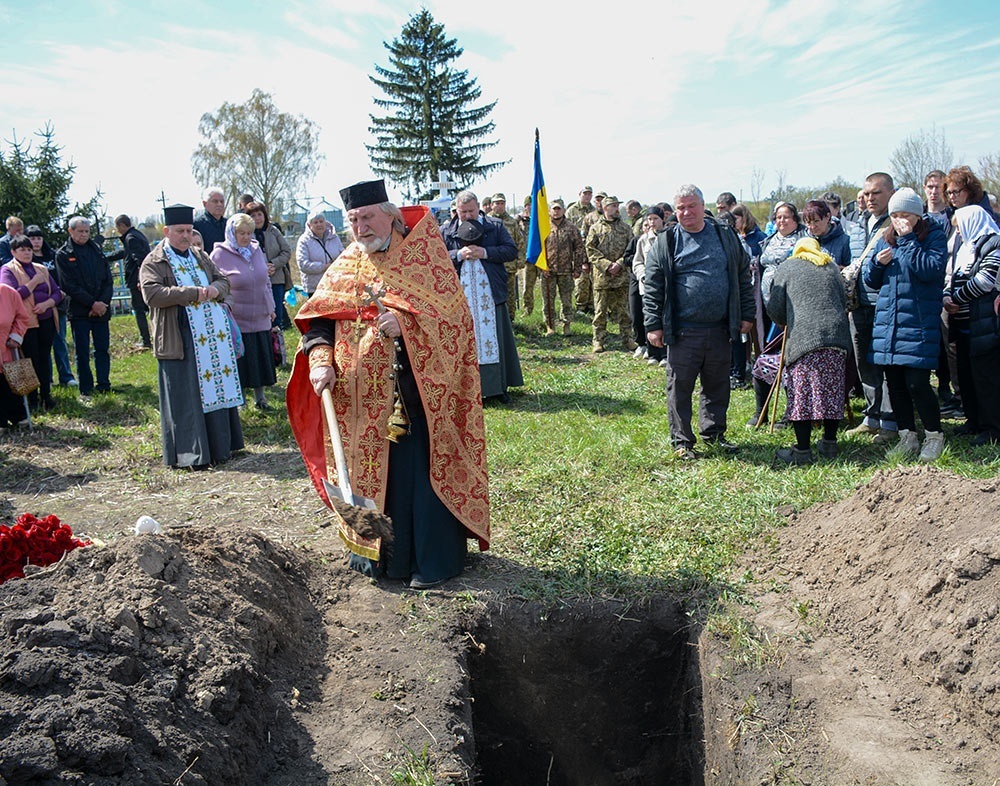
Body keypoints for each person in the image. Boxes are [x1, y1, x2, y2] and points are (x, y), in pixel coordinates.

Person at [286, 178, 490, 589]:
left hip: (416, 404)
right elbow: (318, 323)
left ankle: (431, 562)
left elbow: (456, 321)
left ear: (391, 215)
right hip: (359, 409)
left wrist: (409, 326)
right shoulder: (345, 264)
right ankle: (379, 560)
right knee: (372, 482)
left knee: (420, 480)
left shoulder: (426, 260)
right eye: (353, 220)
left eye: (367, 217)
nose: (360, 228)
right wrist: (321, 361)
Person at [644, 184, 755, 459]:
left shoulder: (724, 235)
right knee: (680, 388)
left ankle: (714, 434)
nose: (685, 212)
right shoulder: (667, 241)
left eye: (691, 206)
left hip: (720, 328)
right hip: (683, 331)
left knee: (717, 385)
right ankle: (682, 442)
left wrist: (746, 313)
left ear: (703, 207)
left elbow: (743, 274)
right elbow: (653, 284)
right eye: (680, 207)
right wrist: (652, 324)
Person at [139, 204, 243, 469]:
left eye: (188, 230)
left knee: (212, 389)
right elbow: (152, 294)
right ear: (166, 231)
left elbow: (223, 281)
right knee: (187, 395)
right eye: (180, 231)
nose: (186, 236)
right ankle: (191, 454)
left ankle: (221, 448)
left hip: (211, 338)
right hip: (179, 337)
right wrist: (192, 293)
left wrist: (214, 290)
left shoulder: (199, 255)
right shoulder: (154, 260)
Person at [863, 187, 947, 462]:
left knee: (918, 384)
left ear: (917, 215)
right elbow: (870, 280)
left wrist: (909, 239)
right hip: (889, 324)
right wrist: (876, 263)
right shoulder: (885, 238)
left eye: (905, 215)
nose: (899, 221)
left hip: (918, 324)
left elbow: (930, 270)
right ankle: (907, 435)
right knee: (895, 384)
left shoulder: (931, 235)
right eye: (895, 215)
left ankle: (934, 436)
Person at [766, 238, 851, 465]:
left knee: (802, 395)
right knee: (831, 391)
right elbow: (843, 299)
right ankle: (829, 443)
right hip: (837, 336)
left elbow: (775, 308)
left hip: (805, 339)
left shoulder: (788, 266)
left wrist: (787, 319)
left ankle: (802, 451)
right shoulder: (830, 265)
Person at [442, 190, 523, 403]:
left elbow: (510, 250)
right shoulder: (446, 230)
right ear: (456, 211)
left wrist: (485, 253)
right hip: (460, 298)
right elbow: (436, 256)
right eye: (463, 212)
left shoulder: (494, 226)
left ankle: (497, 387)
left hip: (490, 296)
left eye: (471, 211)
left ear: (478, 207)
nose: (467, 215)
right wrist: (458, 255)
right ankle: (466, 390)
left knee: (494, 339)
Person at [845, 172, 897, 444]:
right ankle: (872, 416)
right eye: (866, 193)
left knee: (885, 364)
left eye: (875, 193)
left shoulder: (896, 223)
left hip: (885, 305)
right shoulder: (858, 224)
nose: (869, 198)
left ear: (890, 192)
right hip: (858, 305)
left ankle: (890, 421)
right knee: (864, 361)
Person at [944, 205, 1000, 445]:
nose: (958, 234)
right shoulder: (966, 249)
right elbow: (951, 277)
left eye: (959, 228)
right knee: (967, 377)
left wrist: (956, 298)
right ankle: (974, 421)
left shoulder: (994, 244)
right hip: (964, 325)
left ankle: (993, 429)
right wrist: (946, 296)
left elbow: (985, 281)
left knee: (987, 378)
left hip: (986, 324)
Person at [210, 213, 277, 410]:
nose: (246, 237)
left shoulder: (256, 250)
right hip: (237, 316)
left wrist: (271, 306)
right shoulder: (219, 254)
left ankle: (261, 398)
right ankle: (240, 400)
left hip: (260, 313)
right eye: (241, 233)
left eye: (249, 233)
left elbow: (266, 281)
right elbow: (217, 282)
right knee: (241, 359)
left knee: (260, 356)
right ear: (232, 233)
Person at [1, 235, 63, 411]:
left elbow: (57, 292)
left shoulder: (41, 268)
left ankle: (46, 396)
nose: (27, 253)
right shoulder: (8, 270)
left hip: (46, 319)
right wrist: (33, 283)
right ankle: (32, 400)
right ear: (13, 252)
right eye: (22, 250)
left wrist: (47, 304)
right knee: (29, 360)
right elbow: (12, 296)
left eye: (29, 249)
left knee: (44, 359)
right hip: (26, 323)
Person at [55, 216, 113, 396]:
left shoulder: (96, 250)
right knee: (82, 351)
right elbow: (68, 285)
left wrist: (102, 303)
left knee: (102, 348)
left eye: (87, 231)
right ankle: (86, 388)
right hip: (80, 310)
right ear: (70, 231)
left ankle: (104, 384)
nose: (84, 235)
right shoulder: (63, 254)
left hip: (101, 309)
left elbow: (108, 280)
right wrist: (91, 303)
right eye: (80, 231)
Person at [25, 225, 75, 387]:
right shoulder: (26, 260)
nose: (36, 242)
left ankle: (66, 376)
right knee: (42, 345)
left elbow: (62, 278)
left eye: (39, 238)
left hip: (56, 305)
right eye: (32, 239)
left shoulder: (53, 255)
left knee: (59, 341)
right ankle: (47, 378)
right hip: (36, 309)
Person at [586, 195, 635, 353]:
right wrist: (607, 266)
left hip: (622, 276)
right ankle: (598, 340)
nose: (616, 209)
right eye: (613, 206)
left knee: (624, 310)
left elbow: (631, 248)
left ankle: (627, 339)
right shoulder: (595, 228)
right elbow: (590, 250)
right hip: (602, 277)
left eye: (617, 206)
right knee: (600, 311)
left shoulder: (626, 228)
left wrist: (619, 264)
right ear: (606, 208)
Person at [106, 214, 152, 349]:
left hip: (136, 280)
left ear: (121, 225)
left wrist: (140, 279)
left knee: (139, 310)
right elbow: (125, 253)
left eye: (117, 226)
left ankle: (146, 341)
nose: (117, 229)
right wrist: (106, 257)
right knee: (148, 308)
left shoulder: (131, 238)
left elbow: (140, 259)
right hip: (140, 279)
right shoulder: (135, 235)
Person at [245, 201, 293, 330]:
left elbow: (286, 251)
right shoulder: (246, 234)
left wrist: (273, 264)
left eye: (259, 214)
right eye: (253, 216)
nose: (257, 218)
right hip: (257, 280)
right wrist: (261, 268)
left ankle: (278, 345)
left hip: (276, 278)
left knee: (276, 315)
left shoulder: (273, 230)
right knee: (262, 315)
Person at [542, 198, 585, 336]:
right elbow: (538, 249)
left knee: (566, 299)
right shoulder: (544, 227)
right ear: (549, 211)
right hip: (548, 270)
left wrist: (577, 268)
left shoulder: (571, 228)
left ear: (564, 210)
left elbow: (579, 248)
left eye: (559, 208)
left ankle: (566, 324)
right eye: (554, 209)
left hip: (566, 270)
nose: (556, 211)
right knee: (548, 299)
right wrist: (542, 267)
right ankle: (550, 325)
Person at [631, 206, 666, 366]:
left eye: (655, 219)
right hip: (648, 288)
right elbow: (637, 262)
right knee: (650, 318)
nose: (652, 222)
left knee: (665, 318)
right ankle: (653, 354)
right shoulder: (643, 240)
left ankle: (665, 354)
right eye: (649, 219)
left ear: (662, 219)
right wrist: (643, 275)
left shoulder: (669, 237)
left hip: (666, 287)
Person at [759, 202, 809, 304]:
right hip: (768, 301)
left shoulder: (804, 238)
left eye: (786, 217)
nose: (781, 220)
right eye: (778, 217)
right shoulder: (768, 240)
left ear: (795, 219)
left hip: (792, 300)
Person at [489, 194, 526, 319]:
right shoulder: (486, 220)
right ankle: (493, 319)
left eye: (502, 203)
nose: (499, 206)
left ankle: (510, 320)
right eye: (496, 203)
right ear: (491, 205)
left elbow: (520, 242)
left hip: (509, 266)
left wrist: (520, 260)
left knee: (510, 294)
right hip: (491, 266)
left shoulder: (512, 221)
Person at [0, 283, 30, 428]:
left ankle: (17, 415)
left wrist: (16, 336)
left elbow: (22, 317)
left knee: (9, 382)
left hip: (6, 348)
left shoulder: (8, 292)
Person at [296, 210, 344, 296]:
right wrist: (323, 267)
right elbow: (303, 264)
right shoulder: (304, 241)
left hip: (335, 284)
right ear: (310, 225)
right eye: (315, 222)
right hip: (315, 287)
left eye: (321, 221)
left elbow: (343, 256)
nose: (319, 224)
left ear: (325, 223)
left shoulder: (334, 237)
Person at [803, 200, 851, 268]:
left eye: (816, 221)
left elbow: (852, 270)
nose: (813, 226)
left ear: (828, 216)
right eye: (808, 222)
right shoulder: (804, 243)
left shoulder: (845, 242)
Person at [193, 187, 227, 252]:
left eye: (222, 201)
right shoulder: (197, 225)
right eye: (215, 201)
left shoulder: (228, 224)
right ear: (205, 204)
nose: (219, 204)